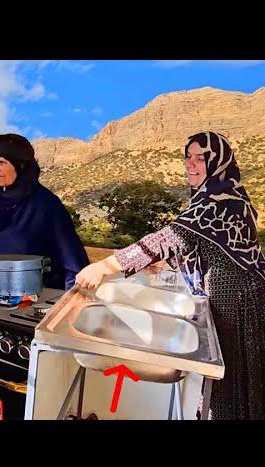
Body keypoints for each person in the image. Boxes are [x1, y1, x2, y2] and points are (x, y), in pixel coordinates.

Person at [75, 131, 265, 420]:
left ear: (219, 162)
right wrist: (167, 264)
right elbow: (208, 248)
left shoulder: (218, 200)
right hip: (232, 300)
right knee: (234, 387)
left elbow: (167, 238)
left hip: (238, 305)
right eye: (187, 156)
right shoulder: (222, 196)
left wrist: (105, 266)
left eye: (201, 158)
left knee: (231, 388)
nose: (190, 164)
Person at [0, 133, 89, 291]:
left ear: (20, 165)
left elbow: (72, 260)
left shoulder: (46, 204)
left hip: (36, 293)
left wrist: (70, 299)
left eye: (2, 162)